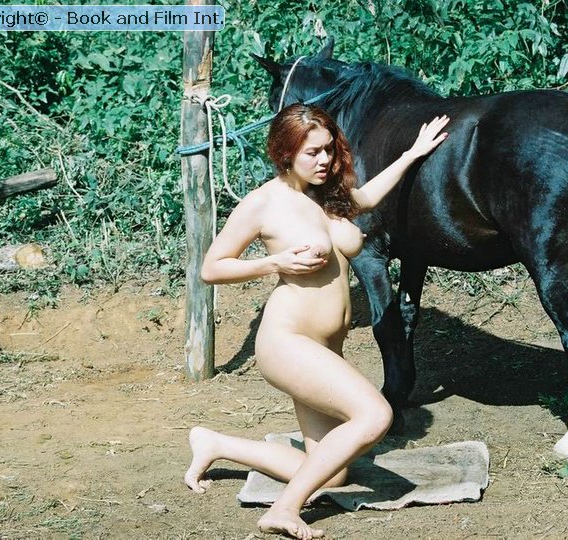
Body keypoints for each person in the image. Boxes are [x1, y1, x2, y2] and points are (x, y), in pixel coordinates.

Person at [184, 103, 449, 540]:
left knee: (333, 475)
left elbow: (368, 197)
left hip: (324, 347)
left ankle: (217, 444)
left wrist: (412, 154)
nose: (324, 160)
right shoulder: (264, 202)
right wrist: (274, 263)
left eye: (328, 149)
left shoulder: (326, 196)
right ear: (285, 153)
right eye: (313, 153)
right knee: (374, 415)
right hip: (287, 342)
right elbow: (211, 268)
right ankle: (285, 510)